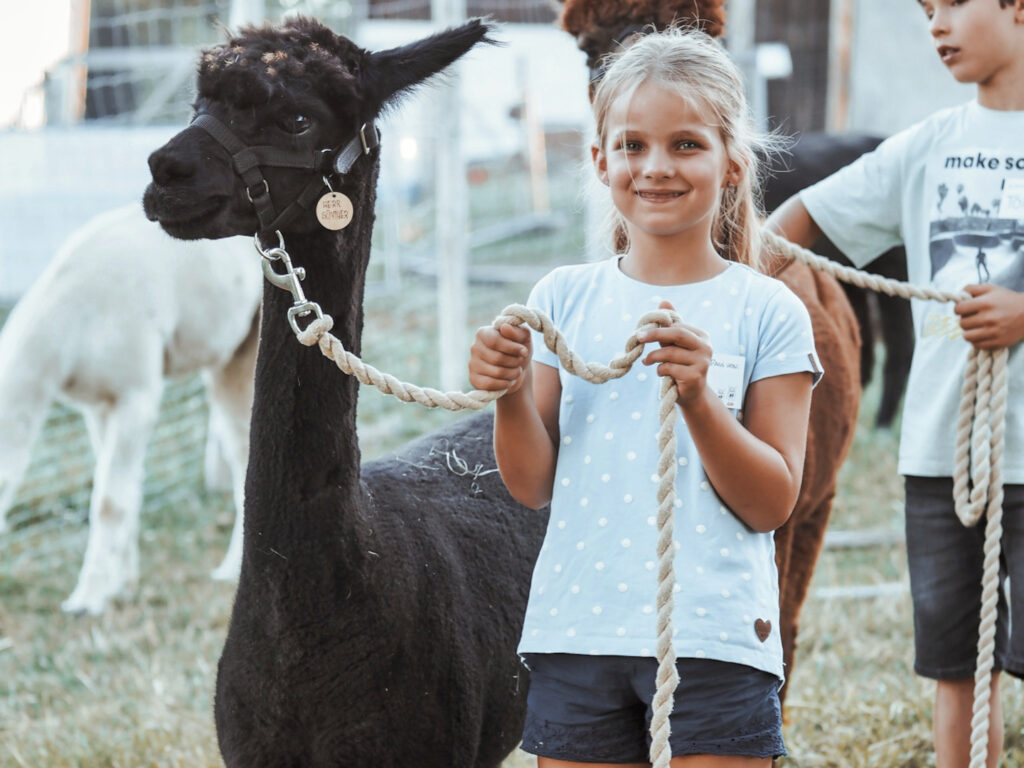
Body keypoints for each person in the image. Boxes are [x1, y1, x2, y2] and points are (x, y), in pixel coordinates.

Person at [469, 27, 821, 768]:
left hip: (718, 639)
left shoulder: (768, 310)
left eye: (686, 144)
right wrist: (506, 395)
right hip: (578, 632)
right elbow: (532, 485)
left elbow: (771, 502)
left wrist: (699, 401)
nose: (655, 166)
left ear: (732, 163)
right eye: (632, 145)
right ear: (600, 161)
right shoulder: (561, 297)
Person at [766, 2, 1024, 767]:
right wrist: (728, 294)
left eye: (953, 4)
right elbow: (798, 221)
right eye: (924, 10)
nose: (935, 25)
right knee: (954, 665)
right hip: (942, 459)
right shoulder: (927, 147)